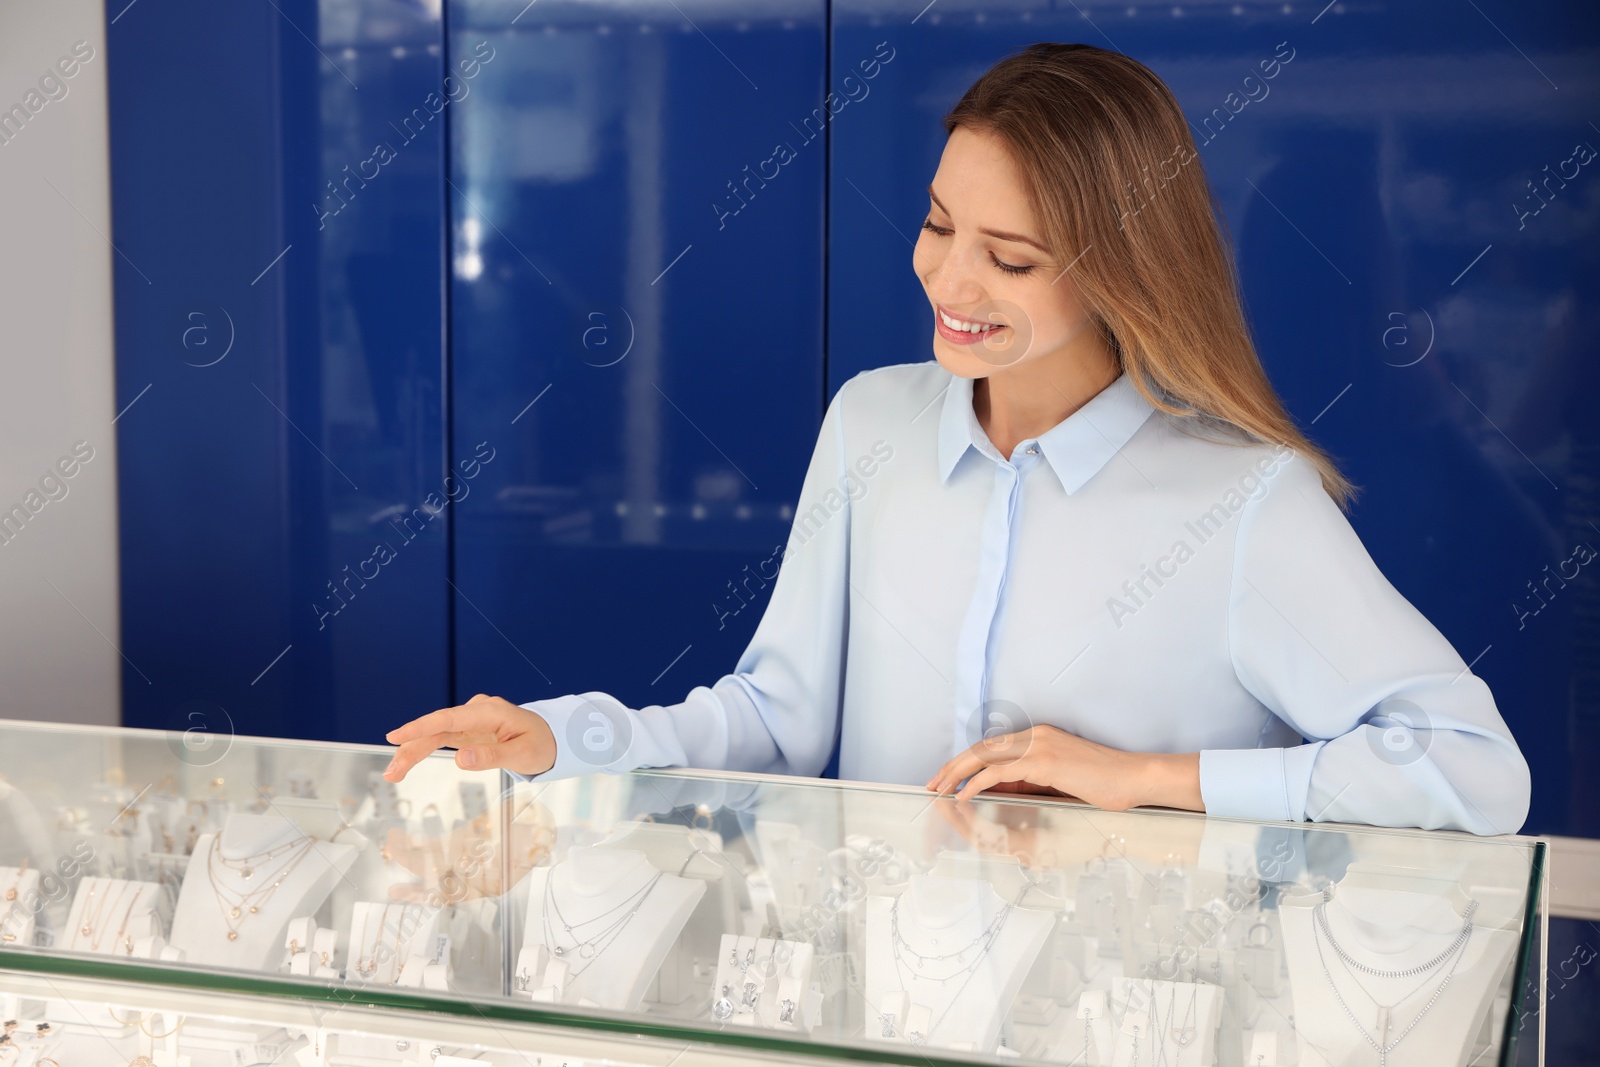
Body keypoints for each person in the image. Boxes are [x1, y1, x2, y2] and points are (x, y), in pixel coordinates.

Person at [383, 43, 1530, 836]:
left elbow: (1473, 770)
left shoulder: (1242, 500)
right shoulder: (869, 424)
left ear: (1122, 271)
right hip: (887, 998)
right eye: (938, 225)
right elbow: (776, 721)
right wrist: (556, 737)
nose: (950, 278)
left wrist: (1141, 780)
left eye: (1012, 257)